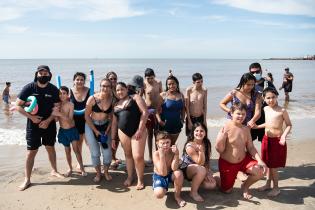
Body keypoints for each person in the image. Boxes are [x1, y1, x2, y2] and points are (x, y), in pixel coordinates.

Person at [15, 65, 63, 191]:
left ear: (49, 75)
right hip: (33, 124)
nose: (43, 75)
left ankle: (54, 170)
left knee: (50, 147)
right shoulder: (29, 88)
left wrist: (48, 121)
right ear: (36, 74)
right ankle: (27, 179)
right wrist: (32, 118)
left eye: (45, 73)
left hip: (49, 123)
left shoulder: (53, 89)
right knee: (31, 152)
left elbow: (57, 107)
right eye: (40, 73)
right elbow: (18, 106)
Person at [215, 102, 267, 199]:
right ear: (231, 113)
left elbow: (250, 147)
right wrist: (220, 139)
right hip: (228, 163)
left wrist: (260, 160)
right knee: (226, 191)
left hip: (243, 160)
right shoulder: (226, 128)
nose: (241, 116)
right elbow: (219, 150)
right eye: (238, 113)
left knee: (261, 171)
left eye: (243, 114)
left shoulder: (246, 129)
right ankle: (217, 179)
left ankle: (245, 186)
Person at [255, 87, 292, 197]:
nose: (271, 100)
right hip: (266, 140)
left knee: (274, 166)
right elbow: (268, 123)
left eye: (273, 97)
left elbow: (289, 125)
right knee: (267, 164)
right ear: (264, 98)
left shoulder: (282, 110)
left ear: (277, 97)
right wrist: (257, 127)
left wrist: (283, 137)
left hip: (277, 140)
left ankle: (276, 188)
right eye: (268, 98)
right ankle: (267, 184)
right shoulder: (266, 109)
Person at [112, 82, 148, 189]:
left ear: (127, 89)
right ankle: (130, 176)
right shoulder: (116, 104)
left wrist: (140, 130)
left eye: (122, 89)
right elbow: (114, 123)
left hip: (138, 130)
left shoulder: (135, 97)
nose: (120, 92)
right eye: (117, 90)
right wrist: (113, 138)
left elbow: (145, 112)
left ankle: (140, 180)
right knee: (128, 155)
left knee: (138, 156)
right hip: (122, 132)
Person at [52, 86, 86, 177]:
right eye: (60, 94)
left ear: (68, 95)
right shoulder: (57, 105)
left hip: (72, 130)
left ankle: (82, 168)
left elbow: (70, 120)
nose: (62, 95)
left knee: (76, 150)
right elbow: (56, 120)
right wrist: (55, 113)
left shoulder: (71, 104)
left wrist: (59, 113)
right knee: (67, 151)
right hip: (63, 131)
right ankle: (70, 168)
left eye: (64, 93)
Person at [85, 78, 113, 182]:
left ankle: (106, 172)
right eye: (103, 86)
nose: (105, 88)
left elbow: (111, 117)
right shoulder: (92, 99)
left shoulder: (111, 99)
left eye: (108, 86)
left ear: (110, 88)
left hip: (105, 126)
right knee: (95, 152)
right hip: (91, 125)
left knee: (107, 152)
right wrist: (95, 130)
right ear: (100, 86)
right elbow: (87, 116)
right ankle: (98, 173)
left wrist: (108, 128)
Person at [180, 122, 216, 202]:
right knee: (201, 169)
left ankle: (197, 181)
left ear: (205, 133)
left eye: (201, 131)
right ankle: (193, 193)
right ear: (193, 132)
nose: (199, 133)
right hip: (186, 170)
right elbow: (199, 163)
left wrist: (208, 173)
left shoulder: (207, 143)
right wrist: (201, 152)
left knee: (211, 185)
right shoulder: (189, 146)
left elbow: (206, 161)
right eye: (196, 131)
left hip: (200, 168)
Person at [152, 132, 186, 207]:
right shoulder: (156, 154)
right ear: (157, 143)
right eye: (162, 143)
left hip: (170, 174)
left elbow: (174, 168)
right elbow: (163, 173)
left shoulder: (172, 152)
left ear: (171, 142)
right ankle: (162, 187)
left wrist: (176, 154)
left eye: (167, 142)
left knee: (178, 173)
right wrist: (162, 156)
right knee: (159, 194)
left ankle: (177, 196)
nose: (165, 145)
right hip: (160, 175)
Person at [156, 72, 185, 144]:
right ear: (167, 85)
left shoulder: (181, 95)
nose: (171, 86)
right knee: (164, 146)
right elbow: (156, 109)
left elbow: (183, 109)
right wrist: (159, 121)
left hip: (177, 124)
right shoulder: (163, 95)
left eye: (173, 83)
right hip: (165, 125)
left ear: (177, 84)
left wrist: (182, 119)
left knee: (172, 145)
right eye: (169, 84)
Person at [70, 72, 90, 166]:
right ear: (74, 81)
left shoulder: (89, 90)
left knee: (90, 142)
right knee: (79, 143)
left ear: (84, 81)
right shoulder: (69, 92)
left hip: (88, 120)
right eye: (77, 79)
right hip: (75, 121)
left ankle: (96, 161)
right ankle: (79, 163)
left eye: (82, 79)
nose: (79, 81)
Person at [143, 68, 163, 165]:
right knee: (149, 135)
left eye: (151, 78)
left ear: (154, 76)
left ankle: (158, 155)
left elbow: (162, 95)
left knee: (158, 135)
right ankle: (150, 157)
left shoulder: (159, 83)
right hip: (149, 112)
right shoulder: (144, 84)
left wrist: (162, 107)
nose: (149, 80)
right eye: (148, 78)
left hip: (158, 111)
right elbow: (140, 98)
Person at [105, 71, 121, 169]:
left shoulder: (118, 90)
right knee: (110, 140)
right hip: (108, 120)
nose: (113, 80)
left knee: (116, 139)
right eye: (111, 79)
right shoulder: (106, 91)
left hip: (118, 119)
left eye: (115, 78)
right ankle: (110, 159)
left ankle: (113, 157)